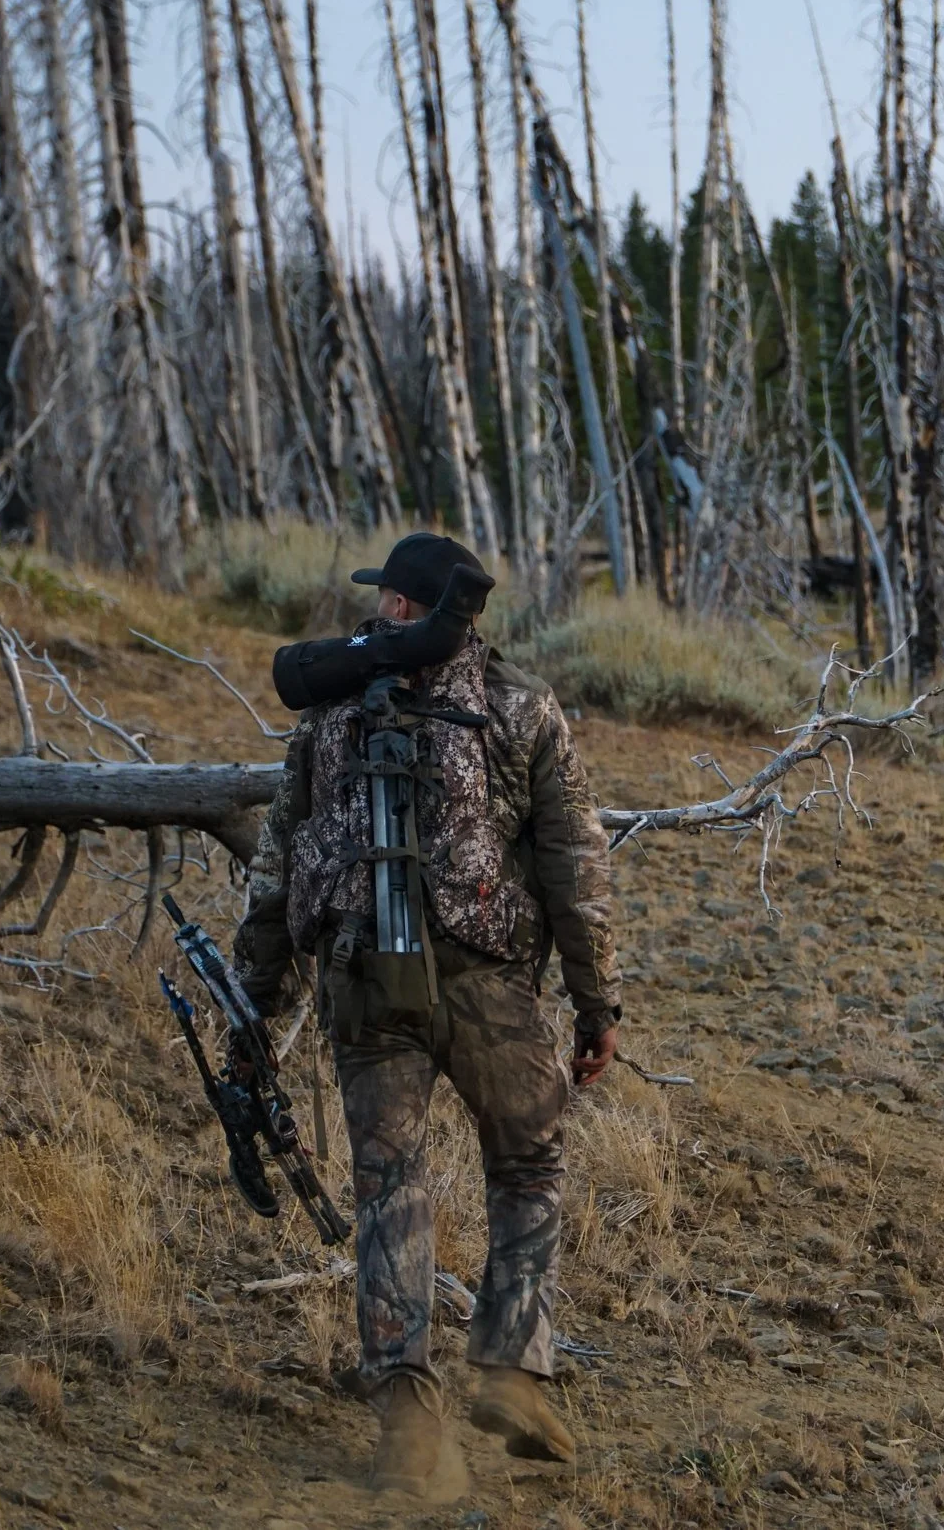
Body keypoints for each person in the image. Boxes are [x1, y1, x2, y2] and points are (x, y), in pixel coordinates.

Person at [231, 532, 621, 1504]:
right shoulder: (521, 705)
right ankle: (511, 1370)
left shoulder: (328, 707)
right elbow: (577, 865)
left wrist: (256, 1009)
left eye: (388, 601)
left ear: (405, 605)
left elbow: (277, 873)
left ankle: (408, 1422)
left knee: (389, 1185)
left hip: (363, 984)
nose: (379, 614)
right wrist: (594, 999)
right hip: (486, 982)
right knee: (528, 1158)